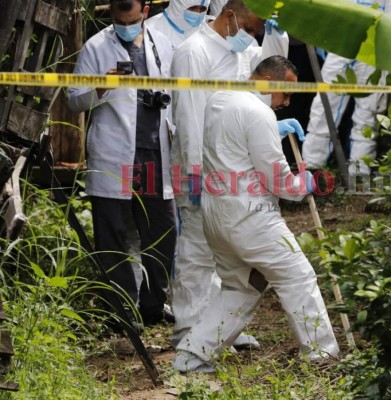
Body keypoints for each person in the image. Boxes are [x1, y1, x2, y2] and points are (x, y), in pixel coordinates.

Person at [172, 56, 340, 373]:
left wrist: (270, 129)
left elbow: (237, 141)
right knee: (298, 276)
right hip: (251, 218)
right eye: (284, 93)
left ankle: (191, 357)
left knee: (240, 286)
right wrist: (300, 186)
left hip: (217, 216)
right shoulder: (258, 111)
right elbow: (277, 179)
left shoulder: (221, 98)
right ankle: (322, 357)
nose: (285, 102)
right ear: (268, 81)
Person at [170, 0, 291, 347]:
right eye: (252, 27)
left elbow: (257, 92)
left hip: (231, 166)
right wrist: (195, 172)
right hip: (199, 167)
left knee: (224, 251)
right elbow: (189, 116)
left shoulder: (240, 50)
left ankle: (216, 329)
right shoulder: (193, 52)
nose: (254, 36)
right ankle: (187, 330)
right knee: (196, 251)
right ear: (230, 15)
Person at [67, 0, 177, 329]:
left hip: (154, 152)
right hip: (115, 154)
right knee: (112, 234)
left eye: (130, 20)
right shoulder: (96, 47)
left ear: (145, 11)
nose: (124, 26)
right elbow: (74, 100)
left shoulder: (163, 44)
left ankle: (154, 305)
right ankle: (123, 311)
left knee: (162, 231)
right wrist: (102, 84)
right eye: (117, 20)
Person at [302, 0, 391, 178]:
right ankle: (312, 168)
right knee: (323, 108)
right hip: (340, 50)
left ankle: (359, 175)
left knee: (367, 114)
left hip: (372, 55)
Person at [145, 0, 211, 49]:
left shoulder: (207, 29)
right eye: (192, 8)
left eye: (202, 9)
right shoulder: (150, 29)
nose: (197, 13)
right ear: (178, 5)